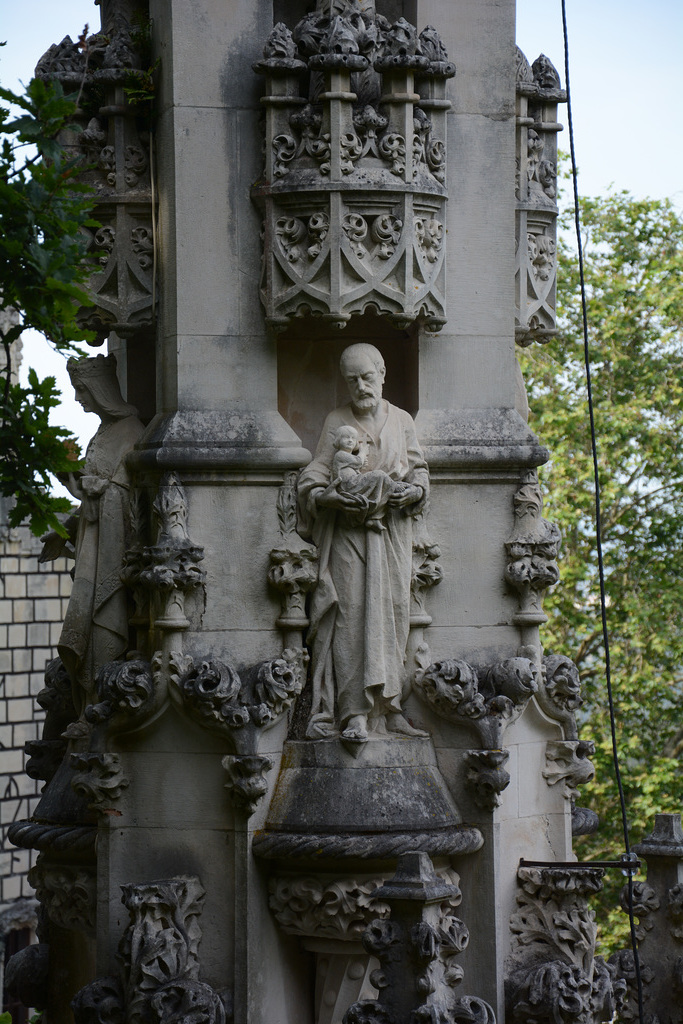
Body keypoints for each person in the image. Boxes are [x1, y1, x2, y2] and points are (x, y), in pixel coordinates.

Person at [298, 343, 429, 743]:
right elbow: (315, 475)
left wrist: (416, 492)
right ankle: (353, 712)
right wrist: (325, 497)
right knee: (352, 617)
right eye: (351, 379)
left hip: (391, 535)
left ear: (382, 373)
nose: (359, 385)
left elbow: (419, 469)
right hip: (350, 537)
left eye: (366, 377)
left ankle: (390, 709)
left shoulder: (402, 420)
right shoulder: (337, 420)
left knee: (392, 616)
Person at [39, 354, 144, 712]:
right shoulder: (104, 431)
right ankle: (88, 709)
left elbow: (129, 495)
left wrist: (94, 490)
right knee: (84, 636)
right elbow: (96, 494)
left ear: (101, 390)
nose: (77, 398)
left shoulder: (131, 431)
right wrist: (63, 528)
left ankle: (100, 710)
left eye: (82, 390)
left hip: (109, 557)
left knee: (103, 627)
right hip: (92, 547)